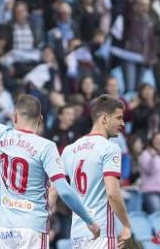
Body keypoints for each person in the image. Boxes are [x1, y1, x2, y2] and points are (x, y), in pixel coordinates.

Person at [0, 63, 100, 246]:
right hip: (33, 225)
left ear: (14, 116)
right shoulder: (46, 147)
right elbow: (64, 189)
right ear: (40, 119)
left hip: (7, 228)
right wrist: (89, 220)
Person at [61, 95, 132, 248]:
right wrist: (126, 225)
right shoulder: (110, 148)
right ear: (105, 118)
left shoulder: (70, 149)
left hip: (78, 234)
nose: (123, 123)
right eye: (119, 118)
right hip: (101, 232)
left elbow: (55, 190)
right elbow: (112, 193)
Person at [138, 131, 160, 214]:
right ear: (152, 141)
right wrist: (152, 157)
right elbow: (149, 170)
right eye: (157, 139)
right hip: (151, 191)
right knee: (157, 215)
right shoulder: (146, 154)